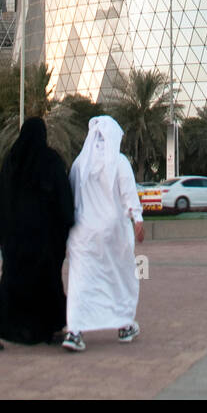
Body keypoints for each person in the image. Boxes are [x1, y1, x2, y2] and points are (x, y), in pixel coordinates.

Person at [0, 115, 75, 350]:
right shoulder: (50, 161)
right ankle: (51, 329)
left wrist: (6, 230)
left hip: (15, 240)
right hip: (44, 240)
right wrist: (67, 223)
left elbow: (0, 201)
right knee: (48, 283)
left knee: (11, 282)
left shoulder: (13, 160)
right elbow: (63, 199)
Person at [62, 115, 145, 352]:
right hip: (112, 232)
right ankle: (124, 325)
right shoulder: (118, 162)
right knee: (119, 278)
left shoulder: (80, 163)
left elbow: (72, 199)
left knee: (81, 281)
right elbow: (129, 195)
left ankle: (75, 332)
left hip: (83, 233)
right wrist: (138, 219)